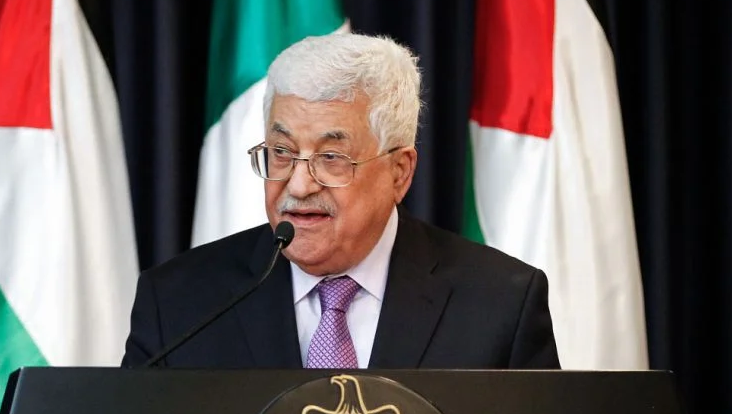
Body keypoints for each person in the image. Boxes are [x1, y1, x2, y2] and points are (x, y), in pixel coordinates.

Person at [121, 32, 560, 370]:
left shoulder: (500, 307)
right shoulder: (178, 306)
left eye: (331, 158)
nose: (298, 186)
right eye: (282, 152)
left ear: (399, 171)